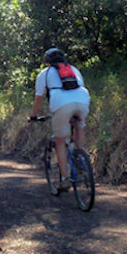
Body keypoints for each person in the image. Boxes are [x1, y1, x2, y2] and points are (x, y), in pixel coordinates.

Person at [30, 48, 90, 190]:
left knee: (60, 142)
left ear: (47, 62)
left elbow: (39, 98)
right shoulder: (74, 69)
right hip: (82, 100)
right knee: (79, 126)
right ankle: (80, 156)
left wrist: (33, 116)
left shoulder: (45, 74)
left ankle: (65, 179)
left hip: (61, 104)